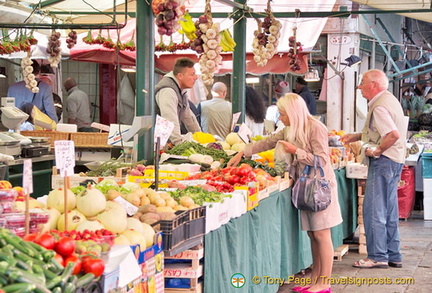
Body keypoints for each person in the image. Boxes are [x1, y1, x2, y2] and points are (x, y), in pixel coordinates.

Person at [228, 93, 342, 293]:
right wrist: (241, 152)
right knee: (312, 234)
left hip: (319, 188)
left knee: (322, 234)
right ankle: (315, 280)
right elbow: (267, 142)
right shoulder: (289, 129)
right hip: (305, 187)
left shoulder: (316, 128)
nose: (280, 118)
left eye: (282, 114)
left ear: (293, 112)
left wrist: (296, 151)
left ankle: (324, 284)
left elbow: (323, 160)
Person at [342, 69, 406, 269]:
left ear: (374, 85)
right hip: (395, 160)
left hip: (384, 161)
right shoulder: (389, 100)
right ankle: (393, 254)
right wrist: (355, 136)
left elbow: (392, 134)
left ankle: (377, 256)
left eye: (362, 82)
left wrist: (377, 151)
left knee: (374, 209)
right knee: (389, 209)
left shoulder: (379, 107)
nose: (359, 87)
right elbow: (379, 131)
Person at [155, 57, 201, 145]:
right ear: (180, 76)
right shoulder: (168, 91)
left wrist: (200, 137)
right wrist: (179, 144)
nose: (196, 77)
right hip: (158, 145)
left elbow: (188, 117)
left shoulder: (180, 90)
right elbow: (170, 120)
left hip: (165, 142)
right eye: (192, 74)